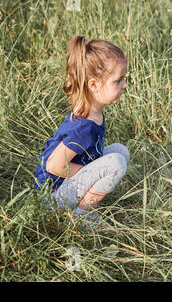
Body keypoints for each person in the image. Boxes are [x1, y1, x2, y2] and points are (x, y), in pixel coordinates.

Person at [34, 35, 129, 230]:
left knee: (120, 152)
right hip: (51, 197)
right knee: (115, 164)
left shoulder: (92, 111)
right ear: (93, 85)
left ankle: (83, 207)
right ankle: (80, 217)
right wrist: (93, 172)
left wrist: (94, 171)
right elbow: (53, 165)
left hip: (66, 186)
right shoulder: (83, 127)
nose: (124, 85)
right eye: (118, 81)